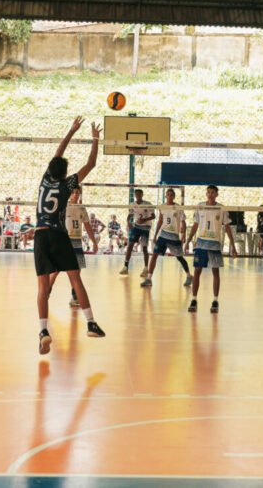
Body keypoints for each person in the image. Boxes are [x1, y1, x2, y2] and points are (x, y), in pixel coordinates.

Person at [35, 117, 105, 355]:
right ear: (65, 173)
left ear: (50, 168)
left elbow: (58, 153)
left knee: (43, 286)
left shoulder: (45, 179)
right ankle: (91, 323)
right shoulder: (68, 185)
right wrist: (95, 138)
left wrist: (71, 130)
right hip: (58, 235)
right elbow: (91, 163)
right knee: (75, 279)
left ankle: (43, 331)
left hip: (40, 236)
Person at [184, 184, 237, 314]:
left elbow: (227, 227)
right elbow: (195, 225)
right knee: (197, 271)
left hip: (214, 244)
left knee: (215, 272)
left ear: (216, 194)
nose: (210, 194)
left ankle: (215, 300)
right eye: (208, 192)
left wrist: (233, 246)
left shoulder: (221, 208)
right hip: (201, 244)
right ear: (206, 194)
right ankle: (194, 299)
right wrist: (188, 240)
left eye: (213, 192)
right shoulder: (200, 206)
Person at [52, 187, 98, 307]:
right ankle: (46, 291)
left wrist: (94, 242)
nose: (75, 194)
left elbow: (87, 226)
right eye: (73, 192)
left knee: (76, 272)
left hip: (77, 241)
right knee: (56, 270)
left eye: (77, 192)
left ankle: (74, 296)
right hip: (65, 240)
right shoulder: (63, 206)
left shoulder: (81, 208)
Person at [143, 187, 192, 288]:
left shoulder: (178, 207)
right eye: (168, 194)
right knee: (154, 255)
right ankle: (149, 278)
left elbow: (183, 222)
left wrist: (184, 235)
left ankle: (189, 275)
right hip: (163, 235)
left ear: (174, 196)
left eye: (171, 195)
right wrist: (155, 235)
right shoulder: (162, 207)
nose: (169, 196)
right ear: (166, 196)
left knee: (179, 257)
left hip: (174, 236)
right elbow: (160, 220)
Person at [121, 189, 154, 277]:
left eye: (139, 194)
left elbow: (153, 216)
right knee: (130, 245)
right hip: (136, 227)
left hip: (145, 227)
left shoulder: (148, 204)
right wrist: (128, 222)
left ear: (142, 195)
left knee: (144, 248)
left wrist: (144, 220)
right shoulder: (133, 204)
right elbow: (130, 215)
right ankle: (125, 267)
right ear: (135, 195)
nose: (138, 196)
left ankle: (146, 268)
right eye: (136, 194)